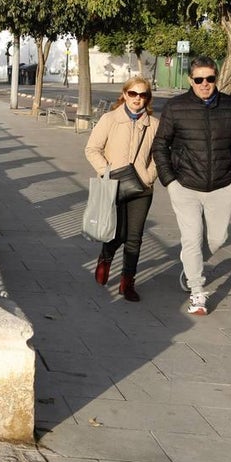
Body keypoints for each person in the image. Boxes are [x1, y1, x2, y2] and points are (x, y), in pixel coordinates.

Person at [151, 56, 231, 316]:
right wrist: (170, 181)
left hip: (222, 186)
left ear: (216, 78)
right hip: (185, 185)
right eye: (199, 79)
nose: (205, 84)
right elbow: (160, 145)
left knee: (217, 239)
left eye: (210, 79)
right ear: (190, 80)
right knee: (192, 238)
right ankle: (197, 291)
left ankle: (189, 265)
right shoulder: (176, 107)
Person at [84, 77, 158, 302]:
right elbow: (92, 149)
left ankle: (128, 282)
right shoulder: (110, 119)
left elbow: (160, 156)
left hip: (142, 188)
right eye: (133, 94)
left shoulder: (154, 124)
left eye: (143, 95)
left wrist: (148, 176)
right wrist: (107, 171)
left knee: (134, 237)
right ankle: (105, 258)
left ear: (147, 98)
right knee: (117, 232)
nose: (138, 99)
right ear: (125, 95)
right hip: (112, 186)